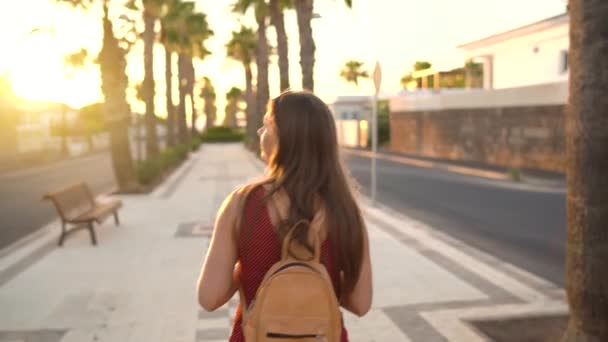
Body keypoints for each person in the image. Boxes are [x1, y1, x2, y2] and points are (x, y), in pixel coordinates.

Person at [196, 90, 373, 341]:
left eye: (267, 124)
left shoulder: (242, 203)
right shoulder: (345, 209)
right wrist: (316, 279)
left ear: (284, 138)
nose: (260, 133)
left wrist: (246, 268)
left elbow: (209, 297)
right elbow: (361, 302)